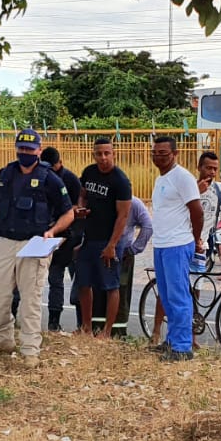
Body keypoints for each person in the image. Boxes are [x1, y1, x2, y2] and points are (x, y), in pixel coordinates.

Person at [0, 128, 74, 367]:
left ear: (39, 151)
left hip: (34, 244)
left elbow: (68, 213)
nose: (25, 153)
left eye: (30, 149)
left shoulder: (50, 178)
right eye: (21, 148)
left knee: (30, 299)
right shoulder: (4, 174)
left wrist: (51, 232)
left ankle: (30, 349)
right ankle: (1, 339)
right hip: (6, 241)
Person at [150, 135, 204, 361]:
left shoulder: (183, 177)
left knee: (179, 295)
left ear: (175, 153)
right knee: (166, 295)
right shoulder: (161, 179)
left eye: (163, 153)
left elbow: (197, 211)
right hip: (161, 244)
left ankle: (182, 347)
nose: (158, 157)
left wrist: (196, 238)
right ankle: (172, 340)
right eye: (155, 153)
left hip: (178, 244)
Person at [75, 137, 132, 338]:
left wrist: (112, 245)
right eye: (99, 153)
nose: (103, 157)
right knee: (83, 282)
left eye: (107, 153)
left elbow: (123, 216)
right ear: (94, 154)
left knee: (111, 286)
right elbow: (82, 193)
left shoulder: (121, 181)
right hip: (88, 238)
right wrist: (80, 206)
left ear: (113, 154)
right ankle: (86, 327)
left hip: (109, 240)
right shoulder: (89, 172)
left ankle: (107, 332)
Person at [41, 146, 84, 331]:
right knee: (55, 280)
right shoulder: (41, 177)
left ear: (61, 163)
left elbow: (78, 207)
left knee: (79, 282)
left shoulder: (71, 180)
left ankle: (82, 324)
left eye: (54, 167)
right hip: (51, 236)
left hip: (72, 236)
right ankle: (53, 322)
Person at [111, 194, 153, 338]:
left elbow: (148, 225)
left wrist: (133, 249)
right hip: (113, 252)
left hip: (123, 255)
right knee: (117, 291)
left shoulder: (134, 203)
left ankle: (118, 331)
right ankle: (112, 331)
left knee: (120, 292)